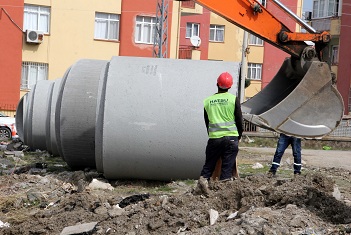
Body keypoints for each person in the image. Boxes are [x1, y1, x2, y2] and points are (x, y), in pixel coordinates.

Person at [195, 72, 243, 196]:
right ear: (230, 86)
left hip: (214, 139)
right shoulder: (233, 99)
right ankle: (222, 195)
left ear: (217, 84)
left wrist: (212, 135)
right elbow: (239, 121)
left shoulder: (208, 101)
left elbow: (207, 122)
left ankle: (201, 187)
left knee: (208, 166)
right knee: (226, 169)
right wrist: (238, 136)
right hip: (231, 139)